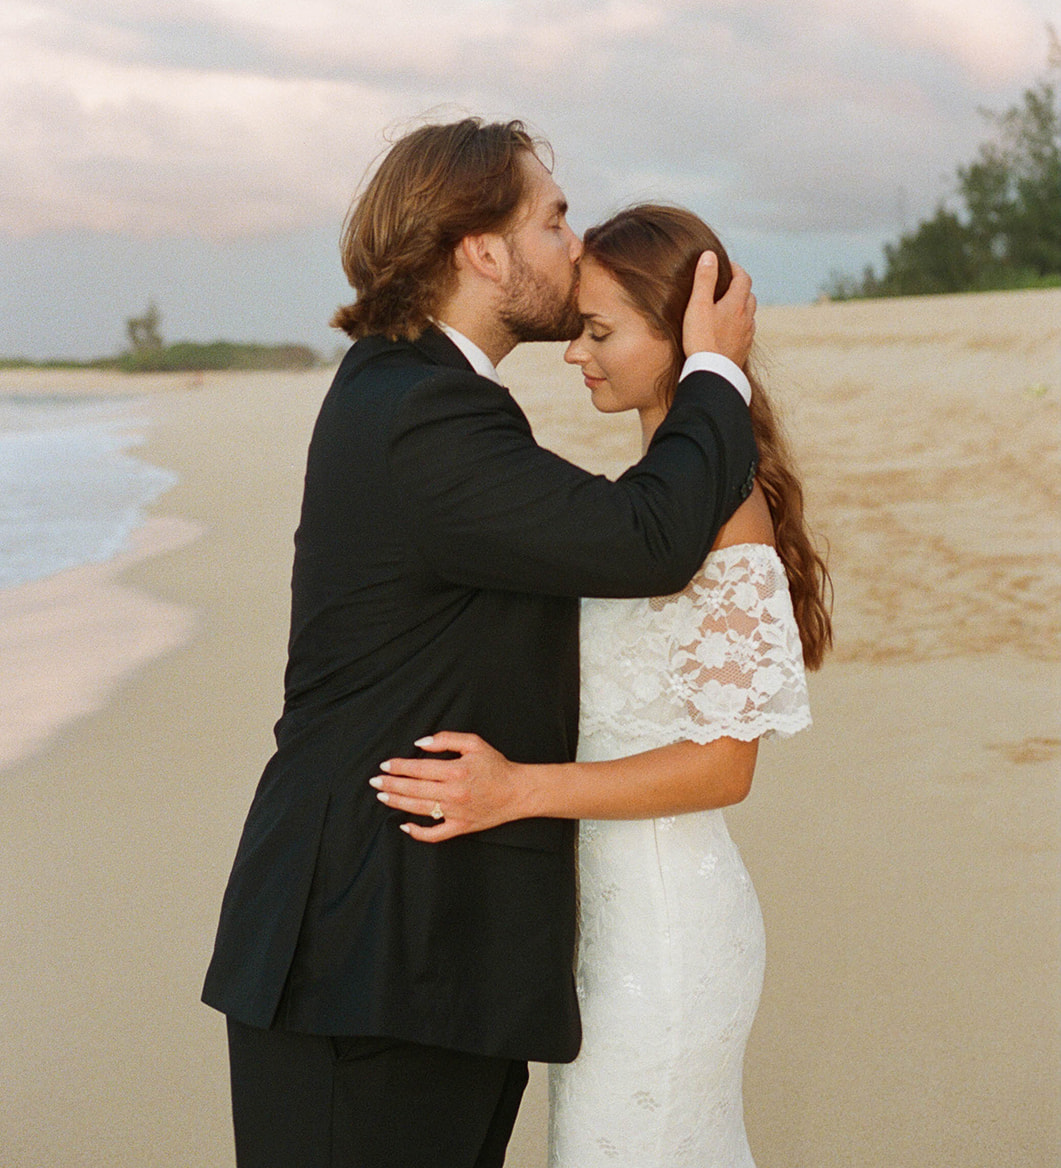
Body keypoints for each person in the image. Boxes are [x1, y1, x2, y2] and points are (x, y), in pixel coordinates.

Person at [202, 126, 760, 1168]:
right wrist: (715, 372)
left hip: (429, 958)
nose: (569, 235)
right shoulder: (420, 410)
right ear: (481, 251)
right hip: (365, 961)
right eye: (548, 217)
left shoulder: (416, 395)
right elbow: (642, 536)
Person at [372, 204, 832, 1168]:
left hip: (665, 928)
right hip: (604, 926)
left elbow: (723, 767)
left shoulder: (725, 514)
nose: (575, 354)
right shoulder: (645, 504)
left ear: (682, 339)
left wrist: (517, 790)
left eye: (600, 331)